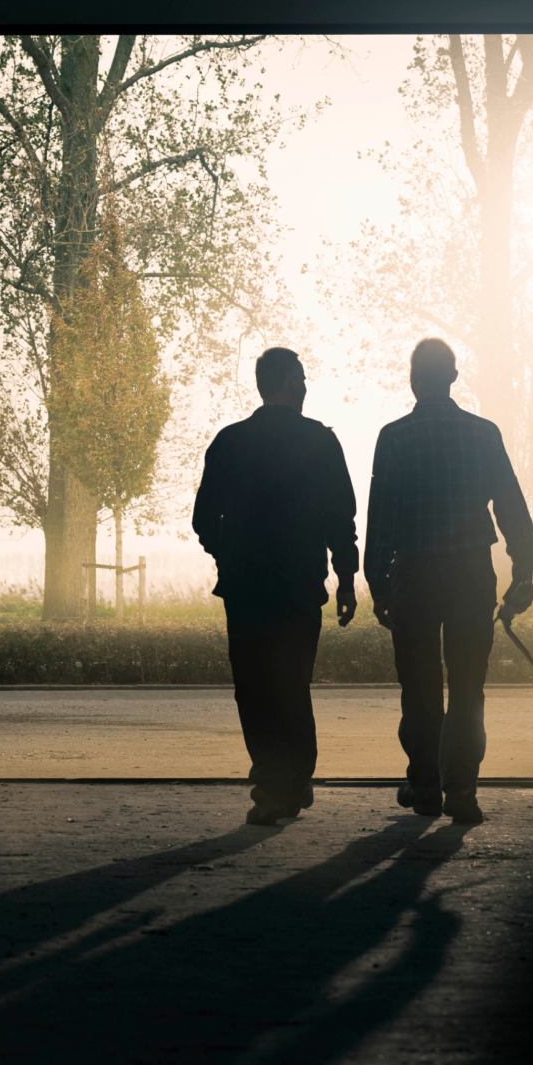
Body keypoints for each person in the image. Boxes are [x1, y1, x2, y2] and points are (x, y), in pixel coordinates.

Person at [366, 337, 533, 827]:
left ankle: (424, 787)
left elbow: (382, 516)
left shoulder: (393, 437)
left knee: (419, 686)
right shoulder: (484, 434)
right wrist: (523, 568)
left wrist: (377, 581)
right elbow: (510, 505)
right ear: (454, 378)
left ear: (414, 380)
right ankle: (461, 789)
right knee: (468, 685)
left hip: (415, 573)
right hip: (469, 572)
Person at [191, 347, 360, 827]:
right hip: (300, 587)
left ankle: (272, 784)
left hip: (244, 589)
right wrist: (346, 580)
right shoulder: (320, 442)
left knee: (253, 687)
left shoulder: (229, 442)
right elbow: (340, 520)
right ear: (289, 383)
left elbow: (204, 518)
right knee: (292, 684)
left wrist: (228, 555)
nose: (306, 387)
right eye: (302, 379)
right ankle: (295, 779)